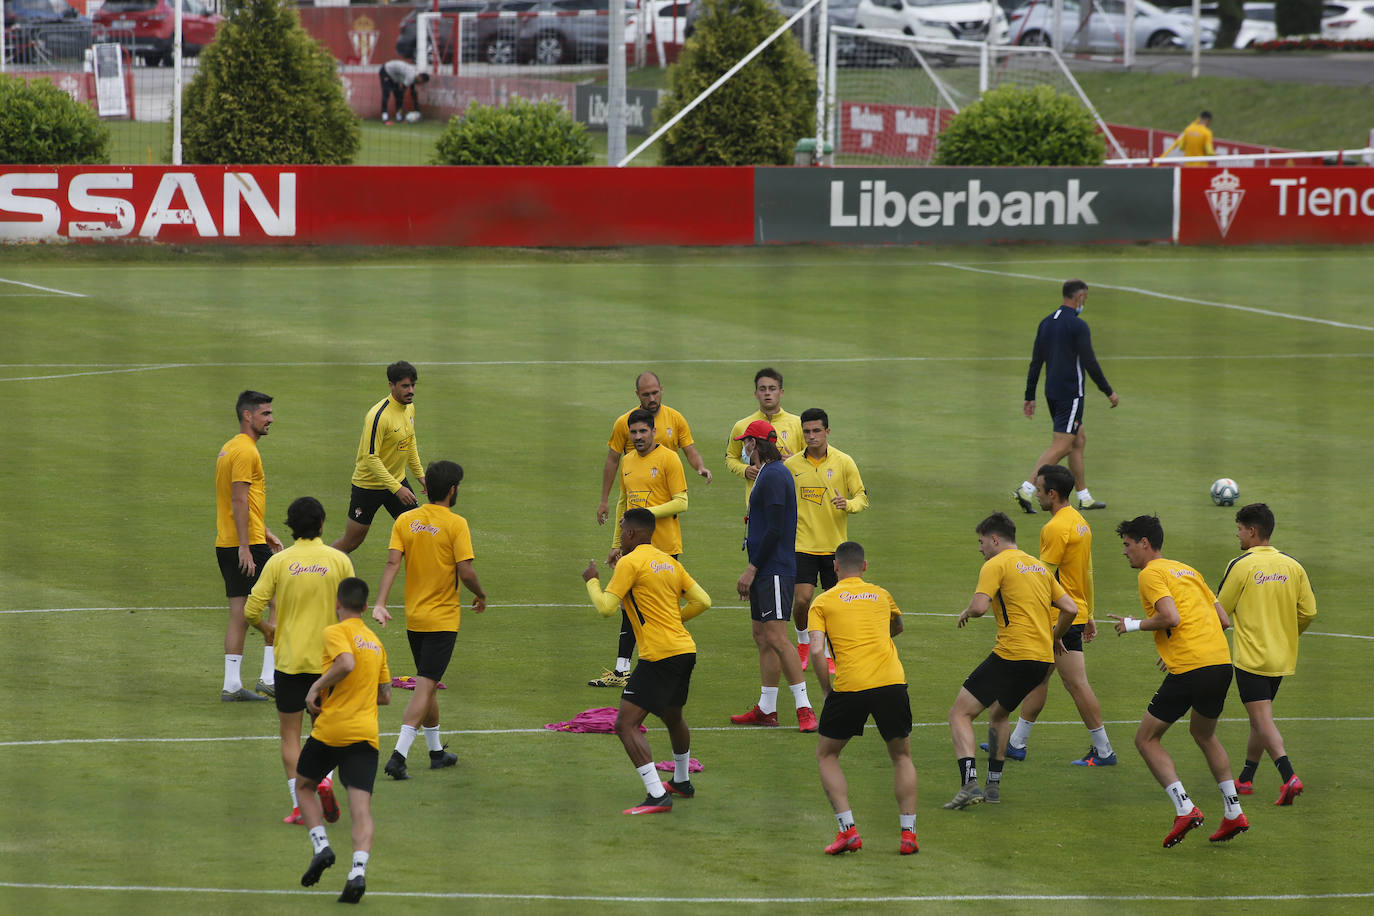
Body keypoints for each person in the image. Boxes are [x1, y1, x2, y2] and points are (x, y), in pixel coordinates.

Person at [1109, 515, 1249, 848]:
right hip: (1219, 662)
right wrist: (1176, 643)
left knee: (1146, 739)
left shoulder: (1151, 573)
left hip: (1191, 666)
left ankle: (1184, 808)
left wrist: (1132, 625)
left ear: (1145, 543)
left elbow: (1170, 616)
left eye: (1127, 545)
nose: (1125, 552)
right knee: (1204, 734)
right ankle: (1234, 812)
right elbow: (1223, 619)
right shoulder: (1188, 570)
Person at [581, 507, 712, 815]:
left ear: (630, 534)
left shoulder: (630, 562)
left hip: (659, 656)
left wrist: (592, 581)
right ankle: (681, 781)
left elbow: (606, 608)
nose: (619, 534)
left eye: (621, 528)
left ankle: (656, 795)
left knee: (625, 724)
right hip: (684, 650)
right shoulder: (668, 562)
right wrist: (673, 620)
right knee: (672, 715)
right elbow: (703, 601)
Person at [944, 512, 1078, 810]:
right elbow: (1070, 608)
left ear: (995, 539)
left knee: (959, 714)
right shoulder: (1040, 568)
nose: (980, 549)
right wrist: (1056, 636)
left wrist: (968, 611)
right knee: (999, 715)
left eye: (981, 542)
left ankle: (969, 784)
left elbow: (980, 607)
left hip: (1011, 654)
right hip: (1040, 661)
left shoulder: (996, 564)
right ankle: (992, 787)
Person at [984, 464, 1116, 766]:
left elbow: (1043, 577)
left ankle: (1104, 750)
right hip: (1076, 609)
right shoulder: (1080, 521)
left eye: (1040, 491)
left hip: (1061, 617)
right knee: (1038, 678)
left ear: (1052, 494)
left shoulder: (1055, 528)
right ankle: (1016, 743)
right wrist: (1089, 611)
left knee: (1075, 683)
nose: (1037, 496)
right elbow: (1087, 571)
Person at [371, 459, 486, 780]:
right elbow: (465, 571)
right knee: (425, 688)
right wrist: (481, 593)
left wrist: (380, 602)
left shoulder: (406, 521)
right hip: (442, 620)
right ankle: (398, 755)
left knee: (428, 683)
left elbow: (393, 563)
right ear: (452, 490)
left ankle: (436, 752)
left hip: (415, 618)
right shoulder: (456, 523)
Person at [244, 497, 356, 826]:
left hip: (290, 661)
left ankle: (299, 806)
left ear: (291, 528)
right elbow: (349, 610)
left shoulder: (280, 563)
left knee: (290, 736)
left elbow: (251, 610)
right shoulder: (339, 561)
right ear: (321, 524)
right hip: (328, 663)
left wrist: (267, 629)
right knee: (326, 730)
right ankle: (324, 781)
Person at [807, 542, 917, 856]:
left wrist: (827, 690)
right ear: (865, 566)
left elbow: (816, 650)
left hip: (850, 685)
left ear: (835, 568)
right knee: (902, 757)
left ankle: (848, 830)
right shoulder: (882, 594)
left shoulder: (823, 601)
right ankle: (908, 835)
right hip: (891, 682)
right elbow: (898, 626)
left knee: (827, 755)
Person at [295, 577, 392, 904]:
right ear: (366, 607)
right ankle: (358, 871)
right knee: (361, 809)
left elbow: (346, 663)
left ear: (338, 604)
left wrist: (315, 688)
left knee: (304, 785)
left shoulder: (335, 632)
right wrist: (361, 694)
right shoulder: (376, 643)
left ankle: (321, 846)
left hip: (332, 728)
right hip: (366, 734)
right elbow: (386, 696)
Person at [1215, 503, 1316, 806]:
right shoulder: (1293, 566)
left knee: (1261, 718)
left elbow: (1220, 611)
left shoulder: (1241, 564)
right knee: (1260, 718)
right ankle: (1246, 778)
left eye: (1240, 529)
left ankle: (1289, 776)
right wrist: (1288, 633)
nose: (1237, 534)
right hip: (1282, 657)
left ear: (1252, 531)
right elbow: (1309, 611)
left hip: (1252, 658)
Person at [589, 407, 690, 689]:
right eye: (633, 432)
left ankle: (667, 665)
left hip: (664, 547)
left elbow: (682, 502)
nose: (638, 436)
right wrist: (616, 544)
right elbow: (624, 502)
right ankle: (623, 671)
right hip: (633, 547)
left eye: (643, 431)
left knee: (662, 609)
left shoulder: (669, 459)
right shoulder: (628, 461)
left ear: (654, 431)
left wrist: (646, 513)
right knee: (627, 605)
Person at [729, 420, 817, 733]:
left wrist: (752, 569)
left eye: (746, 441)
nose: (743, 447)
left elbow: (776, 528)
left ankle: (805, 709)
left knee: (778, 638)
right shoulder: (767, 472)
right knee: (762, 636)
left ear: (755, 443)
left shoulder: (777, 474)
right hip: (765, 567)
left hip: (774, 568)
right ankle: (767, 709)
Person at [1014, 279, 1119, 515]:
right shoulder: (1078, 326)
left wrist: (1029, 395)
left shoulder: (1045, 323)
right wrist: (1108, 391)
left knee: (1078, 439)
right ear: (1079, 297)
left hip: (1051, 390)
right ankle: (1027, 487)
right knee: (1061, 445)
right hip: (1071, 393)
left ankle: (1084, 497)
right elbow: (1090, 362)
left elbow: (1036, 362)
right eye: (1086, 298)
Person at [785, 407, 868, 672]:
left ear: (827, 432)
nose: (811, 436)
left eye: (816, 431)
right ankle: (803, 642)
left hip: (835, 547)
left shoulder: (844, 462)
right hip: (802, 545)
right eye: (806, 431)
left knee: (836, 604)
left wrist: (848, 504)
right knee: (802, 600)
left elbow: (861, 498)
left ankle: (832, 651)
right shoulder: (791, 465)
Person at [215, 389, 283, 702]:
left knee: (238, 613)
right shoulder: (246, 451)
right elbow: (239, 498)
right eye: (265, 414)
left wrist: (264, 529)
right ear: (248, 415)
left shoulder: (229, 448)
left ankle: (231, 685)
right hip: (246, 544)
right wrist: (247, 545)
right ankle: (269, 677)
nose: (270, 419)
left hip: (227, 541)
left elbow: (240, 502)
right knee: (279, 598)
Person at [596, 370, 711, 527]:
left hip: (664, 491)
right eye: (646, 394)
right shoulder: (624, 423)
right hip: (635, 490)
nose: (651, 399)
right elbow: (612, 460)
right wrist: (604, 500)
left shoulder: (675, 418)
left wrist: (700, 467)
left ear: (661, 389)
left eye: (655, 393)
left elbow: (690, 449)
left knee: (663, 531)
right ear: (637, 394)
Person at [333, 361, 425, 555]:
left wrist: (421, 477)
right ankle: (316, 565)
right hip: (368, 487)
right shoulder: (379, 416)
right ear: (391, 384)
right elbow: (370, 457)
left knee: (418, 534)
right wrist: (397, 489)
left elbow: (410, 443)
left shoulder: (409, 408)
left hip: (397, 483)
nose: (411, 390)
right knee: (351, 542)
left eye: (413, 385)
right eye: (405, 386)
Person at [725, 367, 803, 503]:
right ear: (756, 393)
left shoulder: (799, 424)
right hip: (756, 501)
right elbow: (730, 458)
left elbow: (813, 458)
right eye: (762, 389)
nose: (767, 393)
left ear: (781, 392)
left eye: (772, 388)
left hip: (791, 500)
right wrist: (745, 470)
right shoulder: (741, 426)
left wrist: (794, 461)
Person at [378, 59, 430, 124]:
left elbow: (412, 93)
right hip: (386, 71)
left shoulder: (414, 76)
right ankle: (384, 117)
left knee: (398, 97)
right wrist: (404, 108)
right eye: (422, 82)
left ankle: (399, 118)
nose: (420, 84)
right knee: (387, 94)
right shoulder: (411, 76)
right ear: (420, 77)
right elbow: (403, 90)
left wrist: (417, 110)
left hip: (395, 78)